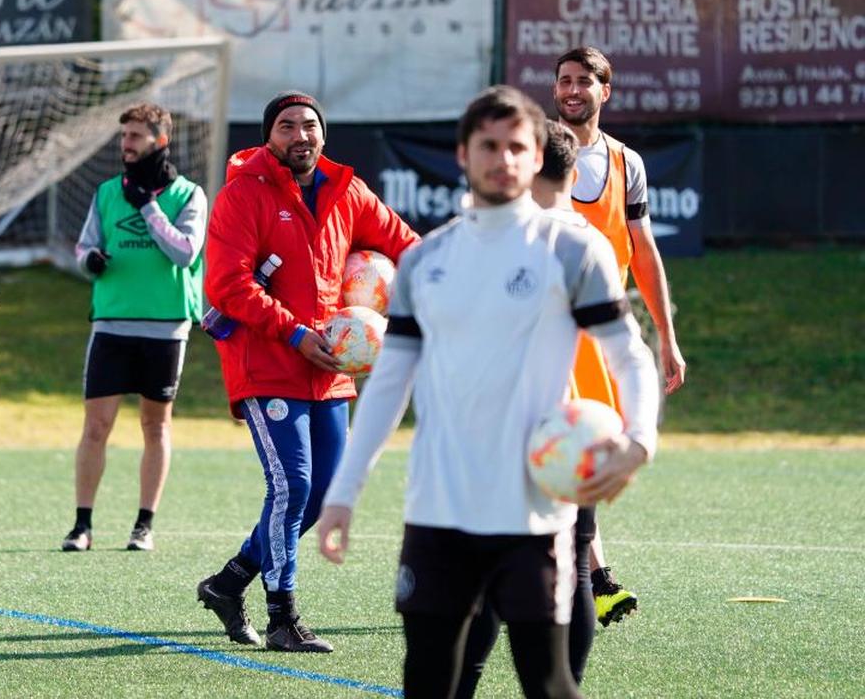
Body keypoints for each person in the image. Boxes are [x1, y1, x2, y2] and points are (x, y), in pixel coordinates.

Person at [317, 86, 659, 697]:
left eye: (516, 147)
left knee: (548, 682)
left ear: (537, 159)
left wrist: (639, 440)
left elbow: (630, 355)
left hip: (533, 515)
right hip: (436, 512)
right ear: (463, 155)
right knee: (428, 680)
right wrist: (344, 492)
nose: (503, 159)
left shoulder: (573, 249)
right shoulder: (427, 261)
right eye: (489, 146)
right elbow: (389, 384)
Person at [196, 91, 418, 653]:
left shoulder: (348, 192)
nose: (300, 135)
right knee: (290, 486)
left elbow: (406, 244)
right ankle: (282, 618)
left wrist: (461, 263)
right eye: (287, 126)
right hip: (269, 361)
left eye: (310, 125)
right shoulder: (243, 193)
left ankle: (228, 584)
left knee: (319, 496)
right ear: (269, 136)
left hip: (333, 364)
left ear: (323, 134)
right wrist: (295, 332)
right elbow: (228, 285)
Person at [456, 121, 605, 696]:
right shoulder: (587, 235)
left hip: (522, 427)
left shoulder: (532, 239)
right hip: (583, 424)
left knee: (485, 571)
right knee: (576, 568)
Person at [555, 46, 686, 624]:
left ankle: (584, 574)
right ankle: (597, 578)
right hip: (545, 325)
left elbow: (644, 251)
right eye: (564, 81)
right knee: (561, 449)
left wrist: (667, 335)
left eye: (584, 81)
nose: (572, 90)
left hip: (601, 329)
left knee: (589, 451)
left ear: (605, 90)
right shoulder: (536, 151)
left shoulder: (626, 163)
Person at [61, 103, 206, 553]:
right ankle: (82, 524)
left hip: (165, 328)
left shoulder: (189, 195)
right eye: (123, 136)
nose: (126, 145)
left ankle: (144, 524)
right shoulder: (106, 192)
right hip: (111, 324)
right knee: (96, 426)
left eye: (135, 136)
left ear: (159, 140)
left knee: (154, 426)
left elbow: (185, 252)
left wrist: (148, 208)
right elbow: (85, 245)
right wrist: (89, 260)